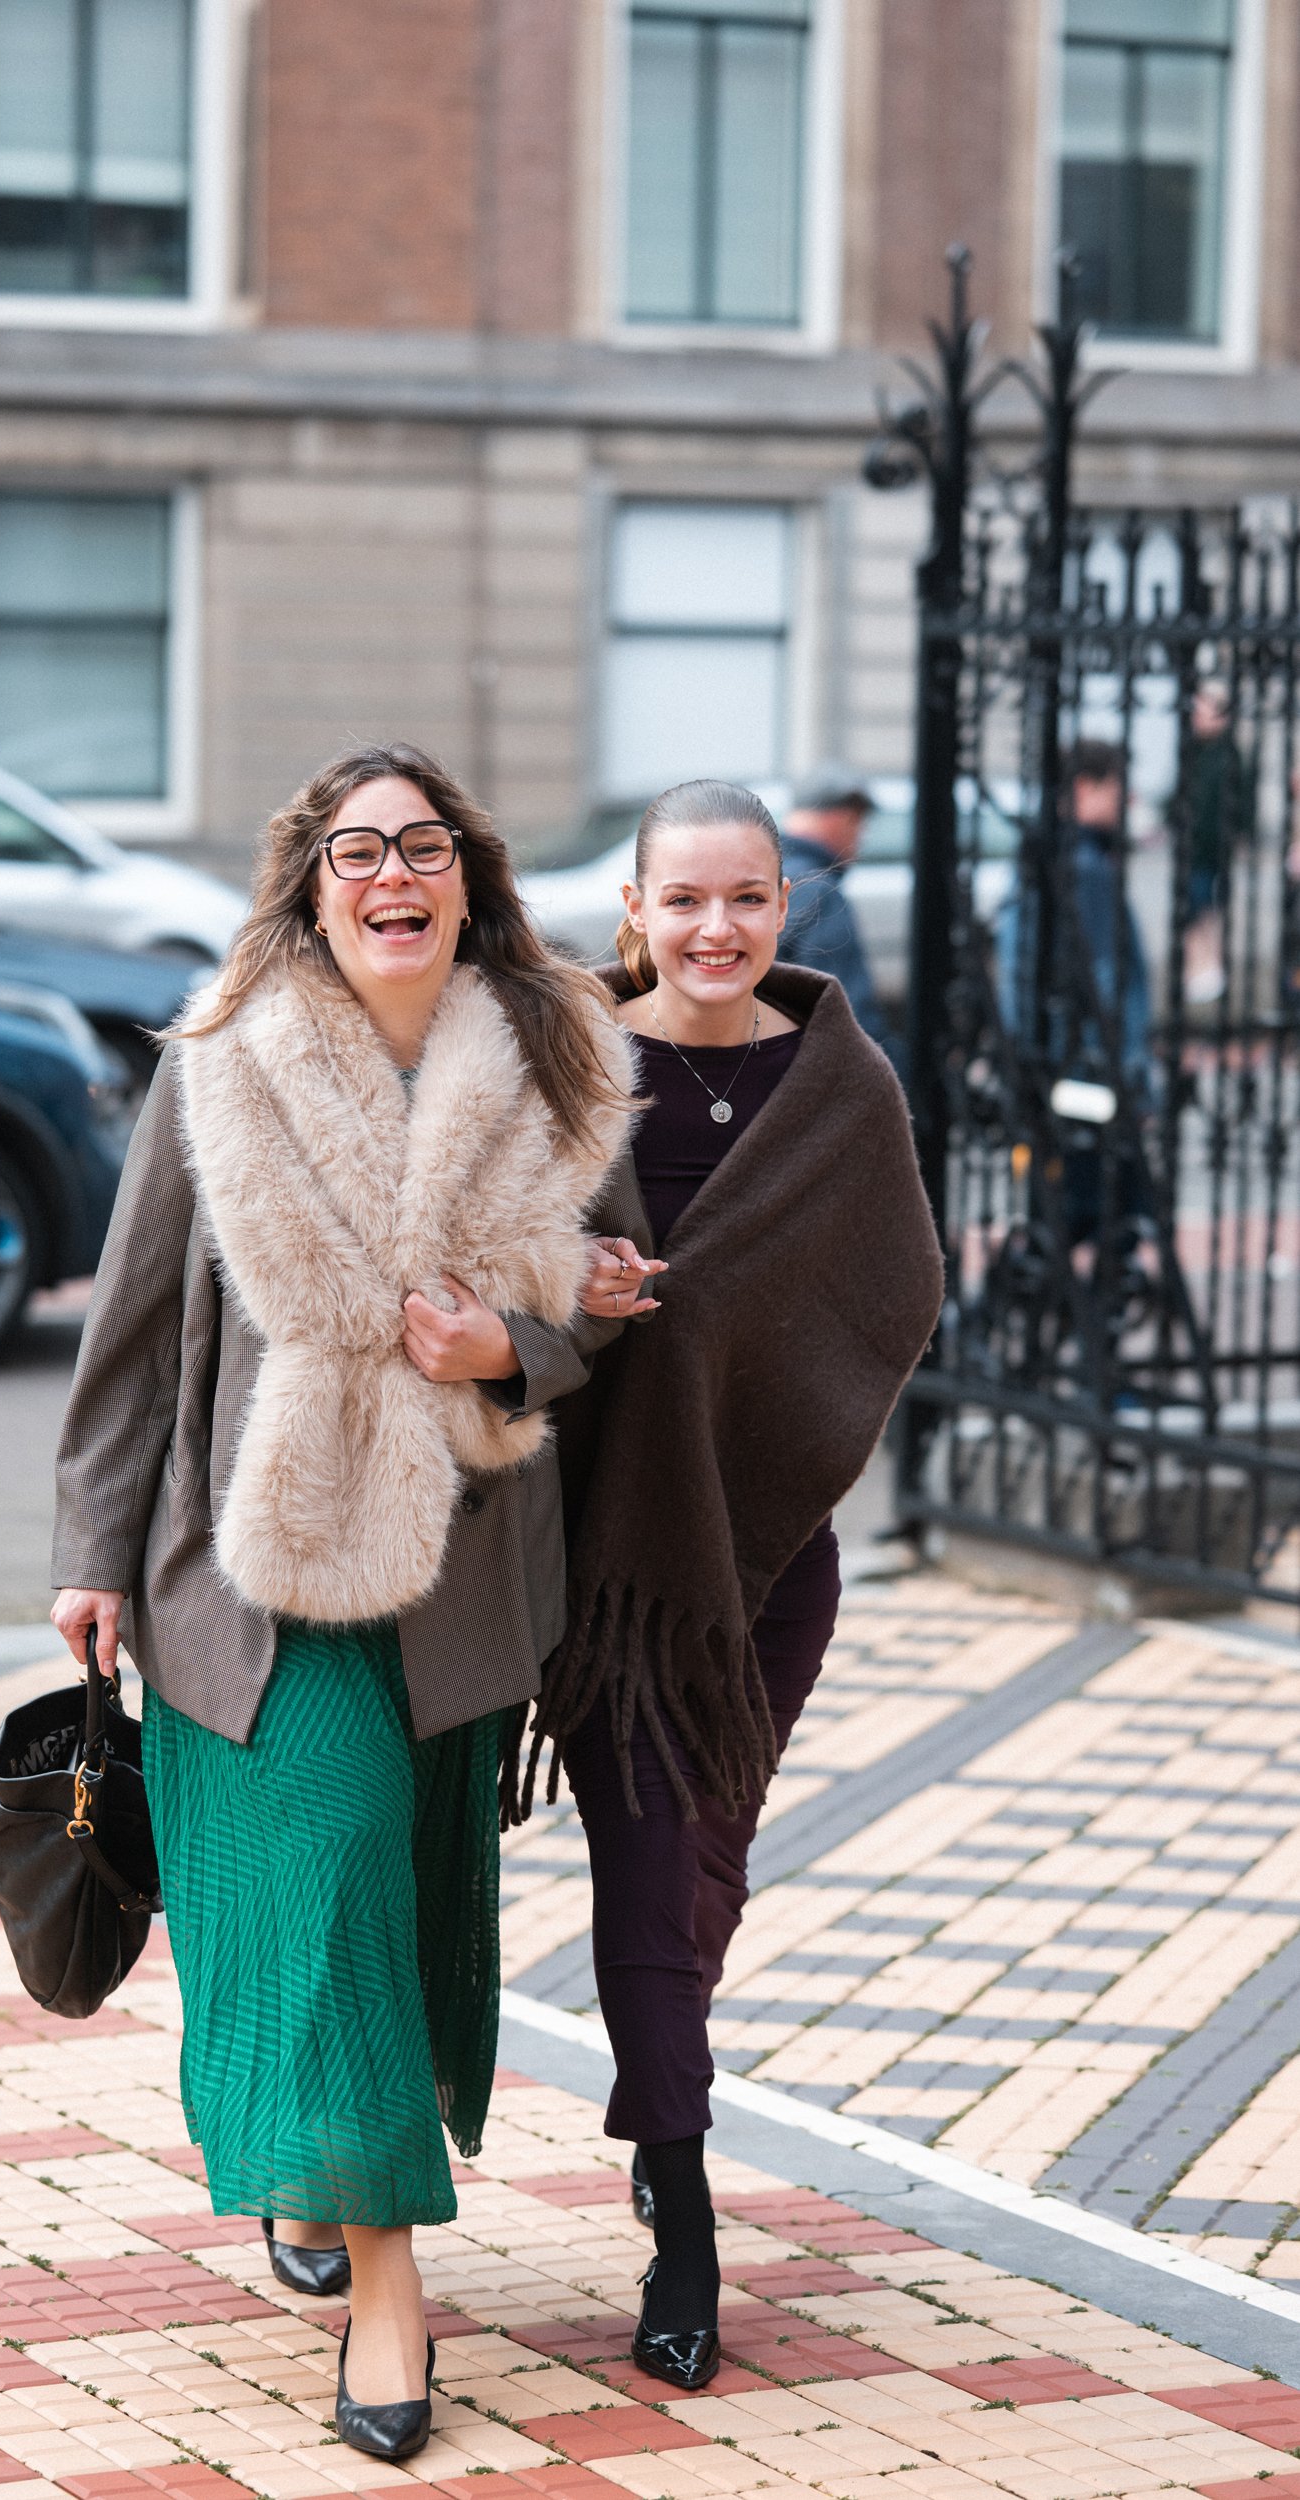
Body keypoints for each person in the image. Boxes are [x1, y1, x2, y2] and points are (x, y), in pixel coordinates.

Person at [50, 743, 636, 2464]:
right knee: (318, 1871)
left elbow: (597, 1318)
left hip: (457, 1578)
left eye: (424, 844)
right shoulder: (217, 1066)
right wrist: (89, 1549)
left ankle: (320, 2160)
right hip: (251, 1567)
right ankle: (388, 2293)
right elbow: (132, 1327)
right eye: (356, 848)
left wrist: (506, 1346)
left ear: (468, 878)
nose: (394, 872)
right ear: (310, 885)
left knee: (393, 1892)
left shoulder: (552, 1063)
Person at [519, 778, 942, 2394]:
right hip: (600, 1554)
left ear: (784, 903)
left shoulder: (839, 1081)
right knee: (644, 1861)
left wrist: (721, 1332)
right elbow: (485, 1261)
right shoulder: (565, 1070)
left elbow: (890, 1292)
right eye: (680, 899)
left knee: (701, 1861)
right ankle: (682, 2210)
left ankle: (661, 2116)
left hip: (762, 1555)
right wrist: (576, 1296)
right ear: (632, 907)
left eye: (744, 899)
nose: (713, 930)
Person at [993, 738, 1152, 1249]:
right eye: (1119, 789)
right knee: (1108, 1216)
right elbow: (1106, 982)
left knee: (1066, 1213)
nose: (1128, 803)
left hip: (1058, 1066)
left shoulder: (1046, 858)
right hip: (1089, 1070)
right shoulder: (1083, 867)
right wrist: (1130, 1071)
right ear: (1085, 789)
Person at [776, 766, 902, 1070]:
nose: (861, 836)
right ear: (840, 817)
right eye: (859, 823)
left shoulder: (761, 873)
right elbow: (843, 1007)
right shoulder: (820, 890)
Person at [1166, 681, 1248, 1005]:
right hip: (1192, 849)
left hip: (1209, 851)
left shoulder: (1227, 756)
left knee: (1203, 909)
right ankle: (1198, 974)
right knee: (1192, 910)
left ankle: (1207, 975)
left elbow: (1236, 809)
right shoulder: (1193, 752)